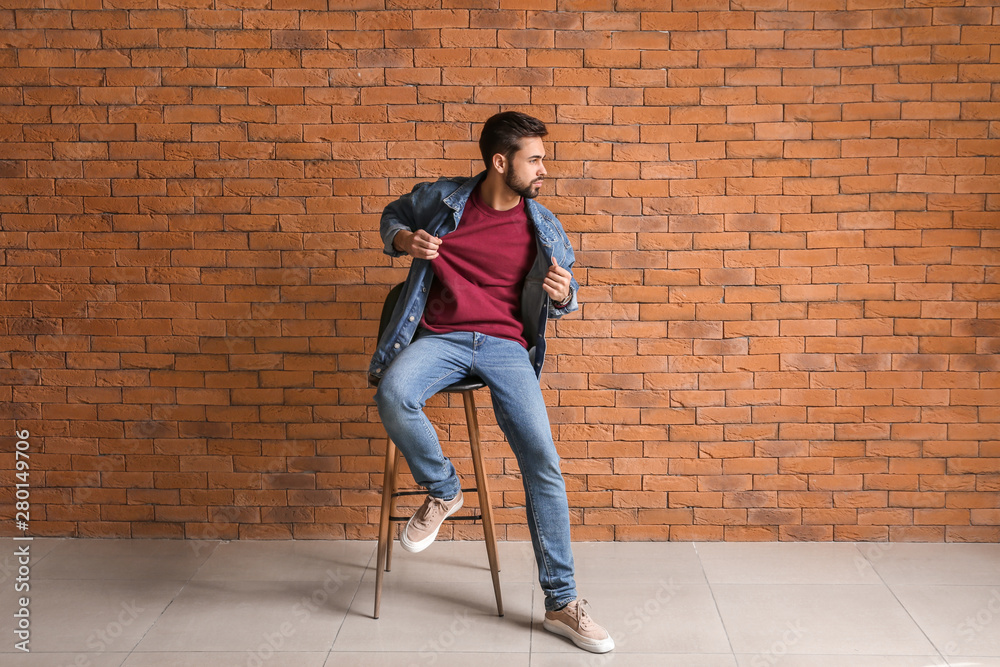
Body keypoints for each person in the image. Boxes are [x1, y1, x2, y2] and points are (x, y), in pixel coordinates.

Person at [369, 111, 614, 654]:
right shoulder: (442, 200)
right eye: (536, 159)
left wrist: (562, 296)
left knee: (542, 461)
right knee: (393, 391)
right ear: (501, 162)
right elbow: (391, 217)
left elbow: (568, 298)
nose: (544, 169)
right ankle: (443, 488)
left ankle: (562, 603)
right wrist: (406, 239)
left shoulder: (543, 225)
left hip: (505, 347)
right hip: (441, 337)